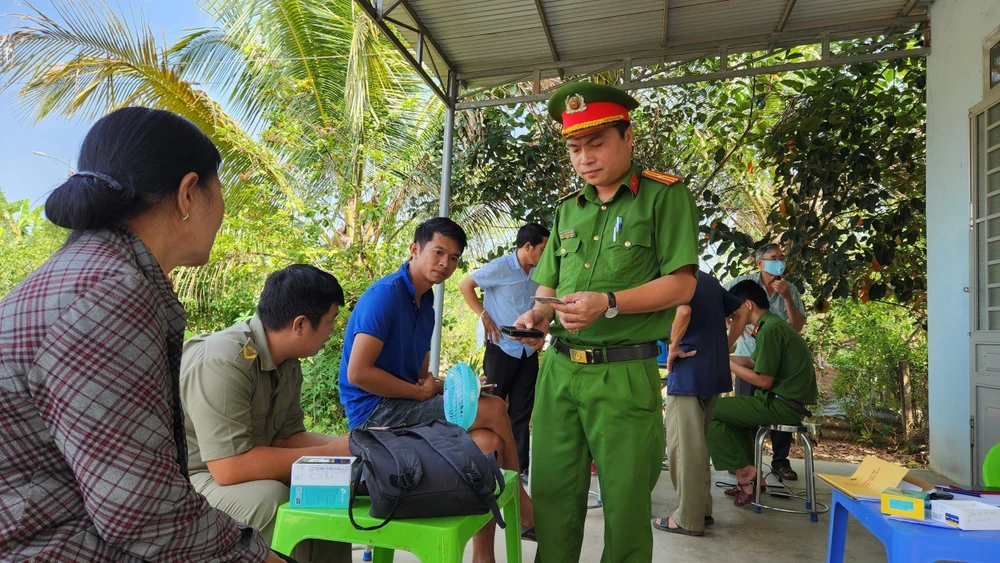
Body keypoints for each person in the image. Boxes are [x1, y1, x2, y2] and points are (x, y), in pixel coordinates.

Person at [0, 107, 286, 561]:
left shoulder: (81, 277)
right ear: (189, 193)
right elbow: (142, 511)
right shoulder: (108, 293)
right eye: (219, 189)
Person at [511, 81, 699, 562]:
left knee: (625, 505)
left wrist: (608, 302)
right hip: (558, 374)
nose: (585, 158)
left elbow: (682, 285)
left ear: (627, 137)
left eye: (596, 144)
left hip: (622, 373)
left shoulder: (663, 197)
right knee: (552, 499)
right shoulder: (566, 210)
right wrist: (536, 313)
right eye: (575, 148)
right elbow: (548, 287)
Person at [337, 217, 535, 563]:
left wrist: (450, 386)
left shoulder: (424, 300)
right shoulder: (385, 297)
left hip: (402, 401)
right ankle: (520, 498)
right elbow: (359, 374)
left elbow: (420, 375)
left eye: (454, 258)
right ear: (415, 249)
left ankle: (483, 556)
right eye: (438, 252)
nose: (446, 264)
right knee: (492, 409)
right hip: (375, 412)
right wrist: (421, 393)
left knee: (487, 444)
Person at [180, 265, 353, 562]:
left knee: (333, 490)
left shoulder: (288, 362)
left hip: (230, 471)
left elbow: (288, 438)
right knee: (271, 499)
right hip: (191, 479)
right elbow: (228, 467)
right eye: (330, 320)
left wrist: (350, 448)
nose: (333, 330)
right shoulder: (224, 360)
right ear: (300, 324)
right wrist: (328, 452)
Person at [708, 280, 818, 507]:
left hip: (782, 406)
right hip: (783, 403)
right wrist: (718, 356)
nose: (732, 317)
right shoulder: (770, 325)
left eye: (734, 310)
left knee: (708, 411)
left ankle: (745, 473)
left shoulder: (770, 330)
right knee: (732, 419)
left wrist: (726, 364)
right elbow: (750, 360)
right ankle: (752, 476)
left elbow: (763, 381)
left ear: (747, 305)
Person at [652, 271, 744, 536]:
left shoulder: (670, 279)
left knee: (683, 449)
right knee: (698, 445)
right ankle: (702, 510)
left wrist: (673, 347)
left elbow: (682, 312)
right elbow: (742, 313)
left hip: (689, 368)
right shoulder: (706, 278)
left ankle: (687, 518)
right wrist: (724, 345)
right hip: (713, 369)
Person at [459, 222, 550, 478]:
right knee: (492, 408)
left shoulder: (542, 273)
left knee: (521, 412)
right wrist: (483, 314)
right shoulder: (500, 267)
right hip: (500, 348)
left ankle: (519, 470)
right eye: (543, 248)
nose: (546, 253)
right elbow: (465, 285)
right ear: (528, 246)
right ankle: (489, 466)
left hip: (528, 351)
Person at [725, 243, 807, 481]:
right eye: (773, 258)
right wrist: (735, 327)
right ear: (760, 263)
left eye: (781, 258)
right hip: (749, 356)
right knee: (745, 410)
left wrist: (787, 298)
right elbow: (719, 305)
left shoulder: (789, 289)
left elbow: (797, 327)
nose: (779, 262)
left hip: (778, 362)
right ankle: (746, 463)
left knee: (779, 409)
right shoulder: (743, 285)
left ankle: (780, 462)